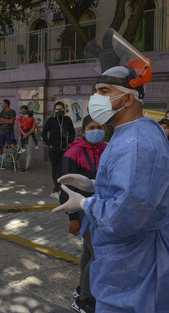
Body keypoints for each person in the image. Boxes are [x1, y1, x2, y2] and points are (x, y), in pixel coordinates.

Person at [53, 34, 169, 312]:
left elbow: (128, 212)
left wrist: (84, 203)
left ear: (128, 99)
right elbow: (130, 185)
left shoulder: (138, 144)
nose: (95, 98)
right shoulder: (126, 133)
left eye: (103, 91)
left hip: (134, 273)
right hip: (122, 265)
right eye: (96, 91)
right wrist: (94, 184)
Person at [59, 115, 106, 313]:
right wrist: (72, 218)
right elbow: (63, 187)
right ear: (83, 131)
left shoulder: (106, 148)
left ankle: (81, 290)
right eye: (92, 127)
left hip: (99, 208)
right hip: (81, 210)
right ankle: (84, 300)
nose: (96, 130)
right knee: (98, 255)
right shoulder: (73, 152)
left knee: (89, 253)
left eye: (100, 126)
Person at [42, 101, 75, 199]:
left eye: (61, 109)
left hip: (65, 149)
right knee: (55, 170)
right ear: (54, 110)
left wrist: (70, 142)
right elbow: (44, 133)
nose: (59, 111)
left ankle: (63, 189)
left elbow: (72, 132)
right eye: (57, 109)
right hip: (54, 150)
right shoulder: (51, 120)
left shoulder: (68, 120)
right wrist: (49, 144)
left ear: (64, 110)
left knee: (63, 169)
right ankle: (57, 189)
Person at [0, 99, 17, 168]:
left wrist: (3, 120)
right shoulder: (1, 112)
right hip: (1, 132)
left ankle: (12, 162)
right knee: (0, 147)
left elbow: (11, 122)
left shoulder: (12, 112)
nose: (2, 105)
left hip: (9, 132)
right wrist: (6, 121)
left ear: (6, 104)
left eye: (3, 103)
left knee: (11, 148)